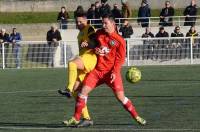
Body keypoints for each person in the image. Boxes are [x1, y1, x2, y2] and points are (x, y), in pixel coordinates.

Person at [63, 14, 146, 127]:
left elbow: (120, 59)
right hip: (97, 72)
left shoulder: (120, 41)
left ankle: (136, 116)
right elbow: (93, 43)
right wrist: (88, 44)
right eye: (102, 23)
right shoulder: (99, 33)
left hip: (111, 73)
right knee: (82, 92)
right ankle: (76, 118)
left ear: (113, 24)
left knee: (121, 98)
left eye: (105, 23)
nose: (103, 25)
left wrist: (115, 72)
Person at [58, 12, 97, 127]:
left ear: (86, 20)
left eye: (80, 21)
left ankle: (68, 89)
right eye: (76, 22)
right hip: (83, 59)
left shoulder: (89, 28)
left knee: (71, 64)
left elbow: (95, 42)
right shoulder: (79, 34)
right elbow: (82, 50)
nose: (78, 23)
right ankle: (87, 118)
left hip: (90, 59)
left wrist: (88, 44)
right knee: (77, 93)